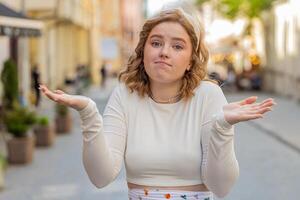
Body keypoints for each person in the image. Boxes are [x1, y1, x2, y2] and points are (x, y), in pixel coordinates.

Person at [39, 1, 276, 199]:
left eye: (177, 46)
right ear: (143, 52)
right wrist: (89, 113)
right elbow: (101, 177)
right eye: (156, 43)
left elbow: (221, 187)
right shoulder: (125, 94)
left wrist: (222, 127)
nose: (164, 51)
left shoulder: (208, 95)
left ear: (191, 61)